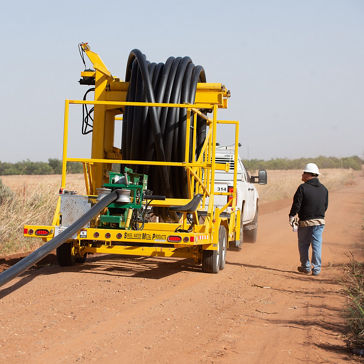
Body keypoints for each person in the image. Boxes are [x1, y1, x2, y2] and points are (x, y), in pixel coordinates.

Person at [289, 163, 328, 276]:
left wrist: (291, 216)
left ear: (308, 175)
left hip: (305, 222)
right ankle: (316, 269)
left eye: (303, 172)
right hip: (320, 222)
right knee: (316, 245)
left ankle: (306, 267)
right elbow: (325, 206)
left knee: (303, 244)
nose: (302, 174)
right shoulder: (324, 189)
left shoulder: (302, 188)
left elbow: (297, 204)